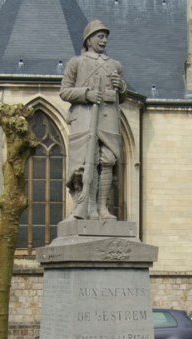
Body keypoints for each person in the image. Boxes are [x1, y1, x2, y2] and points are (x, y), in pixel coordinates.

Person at [60, 20, 127, 220]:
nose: (104, 40)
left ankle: (102, 207)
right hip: (85, 118)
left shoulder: (115, 65)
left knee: (108, 160)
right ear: (89, 40)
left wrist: (121, 86)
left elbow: (121, 97)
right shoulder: (77, 63)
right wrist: (86, 94)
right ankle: (87, 207)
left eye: (105, 36)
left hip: (108, 119)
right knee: (88, 161)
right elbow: (64, 91)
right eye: (100, 36)